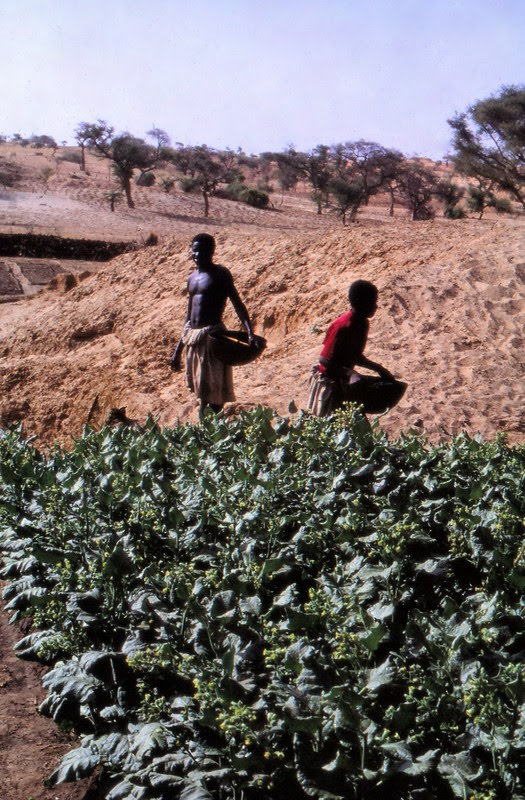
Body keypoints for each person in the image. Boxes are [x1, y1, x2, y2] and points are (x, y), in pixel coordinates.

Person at [170, 233, 258, 415]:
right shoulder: (192, 279)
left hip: (212, 338)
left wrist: (249, 332)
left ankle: (210, 432)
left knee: (213, 393)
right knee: (201, 392)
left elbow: (238, 305)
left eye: (201, 250)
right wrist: (178, 351)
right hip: (193, 339)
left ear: (211, 251)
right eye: (194, 251)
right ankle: (208, 431)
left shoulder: (221, 275)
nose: (197, 255)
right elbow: (189, 315)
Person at [308, 280, 394, 417]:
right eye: (373, 302)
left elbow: (356, 356)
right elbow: (324, 360)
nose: (376, 306)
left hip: (342, 381)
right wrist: (350, 374)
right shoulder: (342, 326)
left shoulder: (362, 324)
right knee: (334, 426)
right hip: (329, 383)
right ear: (362, 303)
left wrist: (379, 369)